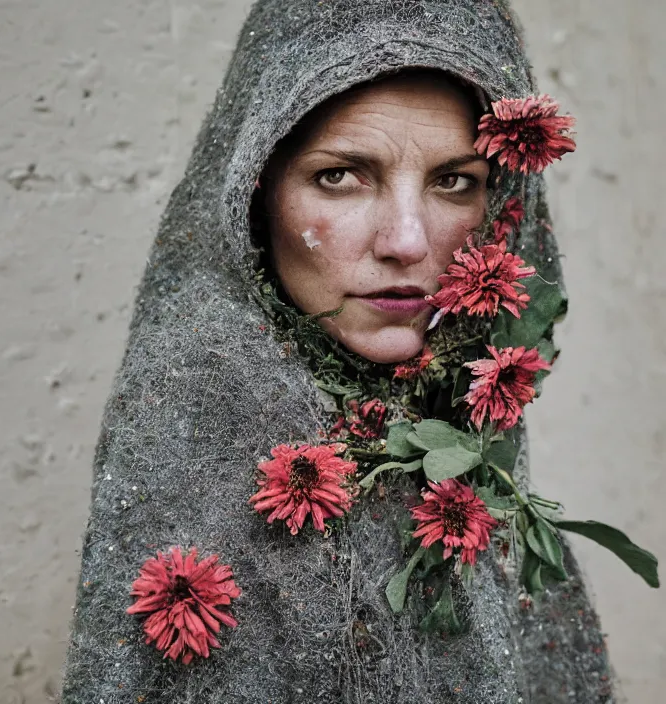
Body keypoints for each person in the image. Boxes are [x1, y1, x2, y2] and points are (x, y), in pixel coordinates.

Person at [61, 1, 618, 702]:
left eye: (455, 181)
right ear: (255, 190)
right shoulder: (188, 423)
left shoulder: (470, 421)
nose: (408, 241)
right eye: (341, 175)